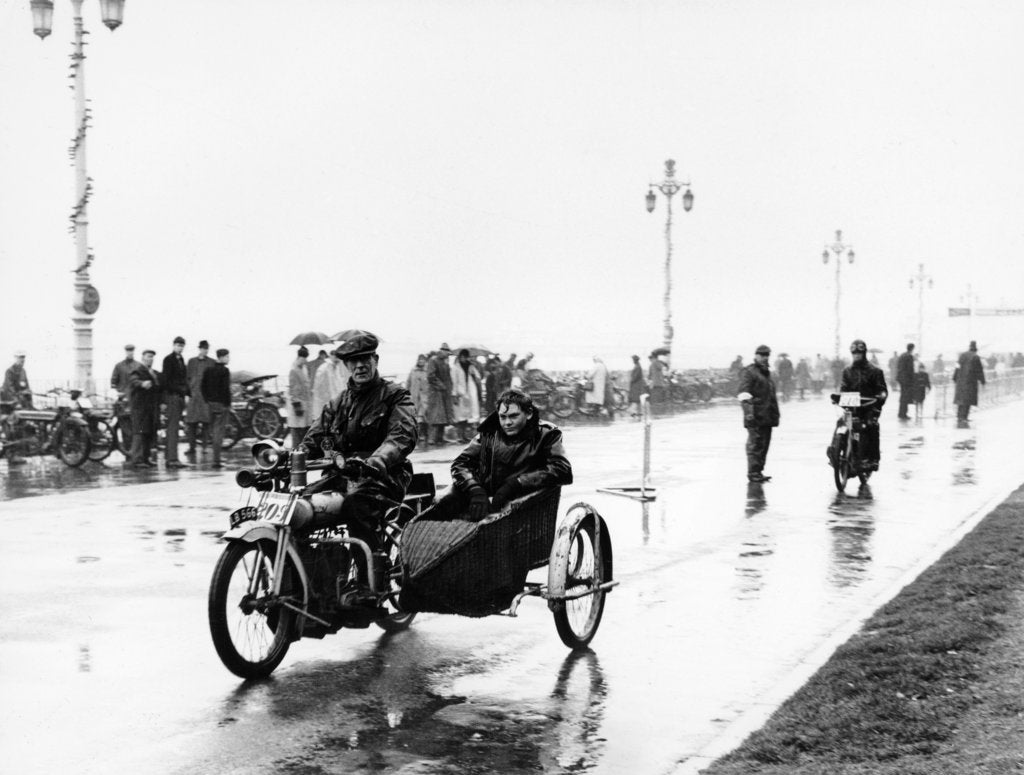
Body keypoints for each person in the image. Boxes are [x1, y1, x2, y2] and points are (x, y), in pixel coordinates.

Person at [297, 333, 417, 586]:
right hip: (342, 476)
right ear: (346, 365)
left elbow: (402, 435)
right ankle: (309, 586)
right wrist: (286, 459)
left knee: (357, 504)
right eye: (353, 361)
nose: (360, 365)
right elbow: (314, 440)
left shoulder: (395, 396)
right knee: (299, 507)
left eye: (365, 359)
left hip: (385, 476)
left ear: (375, 360)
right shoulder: (337, 403)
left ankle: (369, 584)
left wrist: (377, 461)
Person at [429, 388, 573, 521]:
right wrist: (474, 489)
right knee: (438, 505)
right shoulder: (489, 433)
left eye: (514, 416)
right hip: (486, 500)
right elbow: (461, 464)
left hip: (525, 503)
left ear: (529, 414)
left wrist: (516, 484)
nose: (507, 422)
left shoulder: (546, 434)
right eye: (502, 417)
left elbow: (562, 468)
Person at [837, 339, 888, 470]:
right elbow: (843, 387)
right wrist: (840, 396)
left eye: (859, 353)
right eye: (854, 353)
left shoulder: (875, 371)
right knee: (841, 423)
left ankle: (873, 459)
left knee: (871, 425)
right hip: (851, 408)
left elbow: (882, 391)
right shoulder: (847, 371)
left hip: (869, 408)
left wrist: (878, 399)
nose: (856, 356)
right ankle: (835, 450)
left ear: (864, 353)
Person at [737, 344, 780, 483]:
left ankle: (758, 471)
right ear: (756, 356)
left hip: (767, 416)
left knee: (764, 445)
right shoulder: (749, 372)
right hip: (755, 416)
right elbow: (744, 394)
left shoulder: (766, 373)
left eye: (767, 355)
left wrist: (775, 414)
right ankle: (753, 472)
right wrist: (749, 414)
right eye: (762, 355)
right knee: (755, 445)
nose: (765, 358)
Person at [127, 349, 161, 469]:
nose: (150, 359)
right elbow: (133, 381)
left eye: (152, 357)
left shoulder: (153, 372)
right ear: (143, 358)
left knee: (148, 432)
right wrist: (141, 383)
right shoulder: (137, 370)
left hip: (150, 407)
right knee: (139, 432)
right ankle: (137, 459)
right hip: (140, 407)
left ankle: (146, 458)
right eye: (148, 356)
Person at [161, 336, 190, 468]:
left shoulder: (181, 360)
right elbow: (166, 381)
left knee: (173, 427)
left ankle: (170, 457)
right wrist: (182, 391)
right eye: (178, 345)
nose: (180, 348)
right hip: (173, 396)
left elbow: (184, 379)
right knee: (173, 428)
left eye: (182, 345)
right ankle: (172, 459)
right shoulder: (168, 360)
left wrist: (187, 393)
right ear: (173, 345)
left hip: (179, 396)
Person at [201, 348, 231, 469]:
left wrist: (207, 400)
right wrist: (227, 404)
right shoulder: (225, 370)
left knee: (213, 431)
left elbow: (202, 386)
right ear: (221, 357)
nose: (229, 359)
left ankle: (216, 458)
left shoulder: (208, 370)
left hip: (210, 404)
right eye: (227, 356)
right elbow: (225, 389)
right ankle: (216, 460)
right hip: (221, 404)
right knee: (219, 432)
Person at [185, 340, 213, 461]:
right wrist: (187, 393)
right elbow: (187, 378)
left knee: (206, 422)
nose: (205, 350)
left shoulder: (211, 362)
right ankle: (191, 447)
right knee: (191, 423)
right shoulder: (191, 361)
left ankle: (205, 446)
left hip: (206, 397)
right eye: (203, 348)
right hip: (193, 396)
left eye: (206, 348)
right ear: (199, 349)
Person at [425, 344, 454, 445]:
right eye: (447, 353)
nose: (448, 355)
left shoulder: (445, 363)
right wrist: (441, 385)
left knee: (443, 416)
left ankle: (440, 438)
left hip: (444, 393)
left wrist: (449, 388)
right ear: (442, 351)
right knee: (435, 416)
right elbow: (430, 376)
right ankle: (431, 438)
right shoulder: (433, 360)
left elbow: (448, 378)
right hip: (435, 392)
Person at [452, 348, 482, 442]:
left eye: (466, 357)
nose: (464, 358)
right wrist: (454, 395)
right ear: (459, 357)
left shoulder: (471, 366)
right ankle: (459, 436)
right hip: (460, 394)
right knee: (460, 416)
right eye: (462, 357)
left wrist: (474, 374)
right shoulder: (455, 368)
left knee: (467, 416)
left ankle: (464, 435)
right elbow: (454, 382)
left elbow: (478, 377)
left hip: (469, 394)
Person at [312, 349, 350, 421]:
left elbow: (339, 385)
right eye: (336, 360)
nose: (338, 362)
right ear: (332, 357)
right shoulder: (324, 369)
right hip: (324, 403)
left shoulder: (336, 368)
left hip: (333, 404)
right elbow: (318, 389)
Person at [953, 340, 986, 424]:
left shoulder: (962, 355)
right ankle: (964, 417)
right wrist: (982, 381)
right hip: (971, 382)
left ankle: (959, 417)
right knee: (968, 400)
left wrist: (955, 377)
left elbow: (957, 367)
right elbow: (979, 371)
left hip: (960, 381)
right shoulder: (976, 357)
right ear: (975, 349)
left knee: (961, 400)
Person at [287, 346, 312, 448]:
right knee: (297, 433)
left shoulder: (304, 368)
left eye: (306, 359)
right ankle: (295, 452)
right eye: (303, 359)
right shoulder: (293, 370)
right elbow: (293, 390)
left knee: (304, 432)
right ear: (299, 357)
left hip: (305, 405)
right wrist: (297, 407)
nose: (305, 361)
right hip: (297, 406)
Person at [406, 354, 430, 441]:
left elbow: (430, 384)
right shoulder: (413, 371)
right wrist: (407, 394)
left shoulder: (427, 371)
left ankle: (425, 433)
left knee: (424, 415)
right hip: (414, 396)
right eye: (420, 360)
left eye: (423, 360)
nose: (421, 361)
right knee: (415, 416)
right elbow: (408, 383)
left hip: (425, 397)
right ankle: (418, 435)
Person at [896, 343, 916, 420]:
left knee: (903, 396)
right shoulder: (909, 356)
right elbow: (910, 369)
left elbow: (898, 366)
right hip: (906, 379)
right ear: (912, 348)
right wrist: (913, 378)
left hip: (901, 378)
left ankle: (901, 413)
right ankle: (903, 414)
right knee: (905, 396)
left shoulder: (902, 355)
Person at [627, 354, 646, 419]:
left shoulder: (637, 367)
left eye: (633, 359)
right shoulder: (638, 366)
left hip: (636, 386)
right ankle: (639, 412)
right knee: (637, 400)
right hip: (637, 385)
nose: (632, 361)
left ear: (635, 360)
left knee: (635, 399)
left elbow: (635, 377)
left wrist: (631, 380)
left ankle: (633, 412)